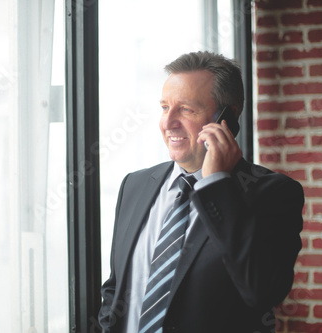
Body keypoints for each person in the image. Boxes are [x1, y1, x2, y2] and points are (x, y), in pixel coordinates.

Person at [98, 51, 304, 333]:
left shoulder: (273, 193)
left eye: (186, 109)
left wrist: (217, 184)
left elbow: (262, 292)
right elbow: (116, 288)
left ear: (226, 120)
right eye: (164, 107)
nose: (168, 122)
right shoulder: (135, 185)